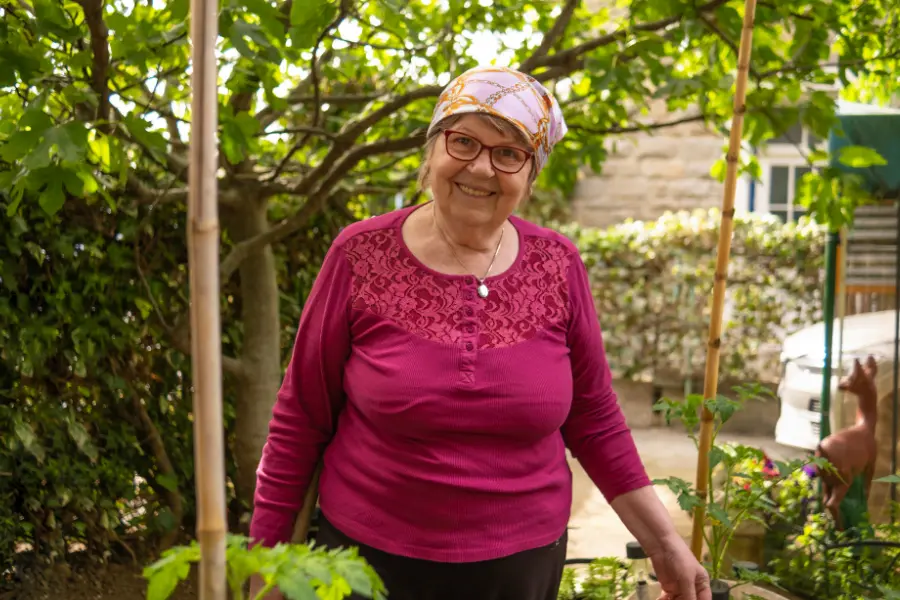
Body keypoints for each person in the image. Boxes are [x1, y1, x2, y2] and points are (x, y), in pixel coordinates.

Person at [248, 65, 711, 600]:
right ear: (432, 152)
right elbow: (299, 419)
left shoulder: (557, 264)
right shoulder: (360, 253)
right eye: (463, 141)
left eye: (509, 153)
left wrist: (665, 544)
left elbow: (596, 420)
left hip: (520, 568)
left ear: (530, 175)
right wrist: (268, 568)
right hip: (362, 565)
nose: (481, 168)